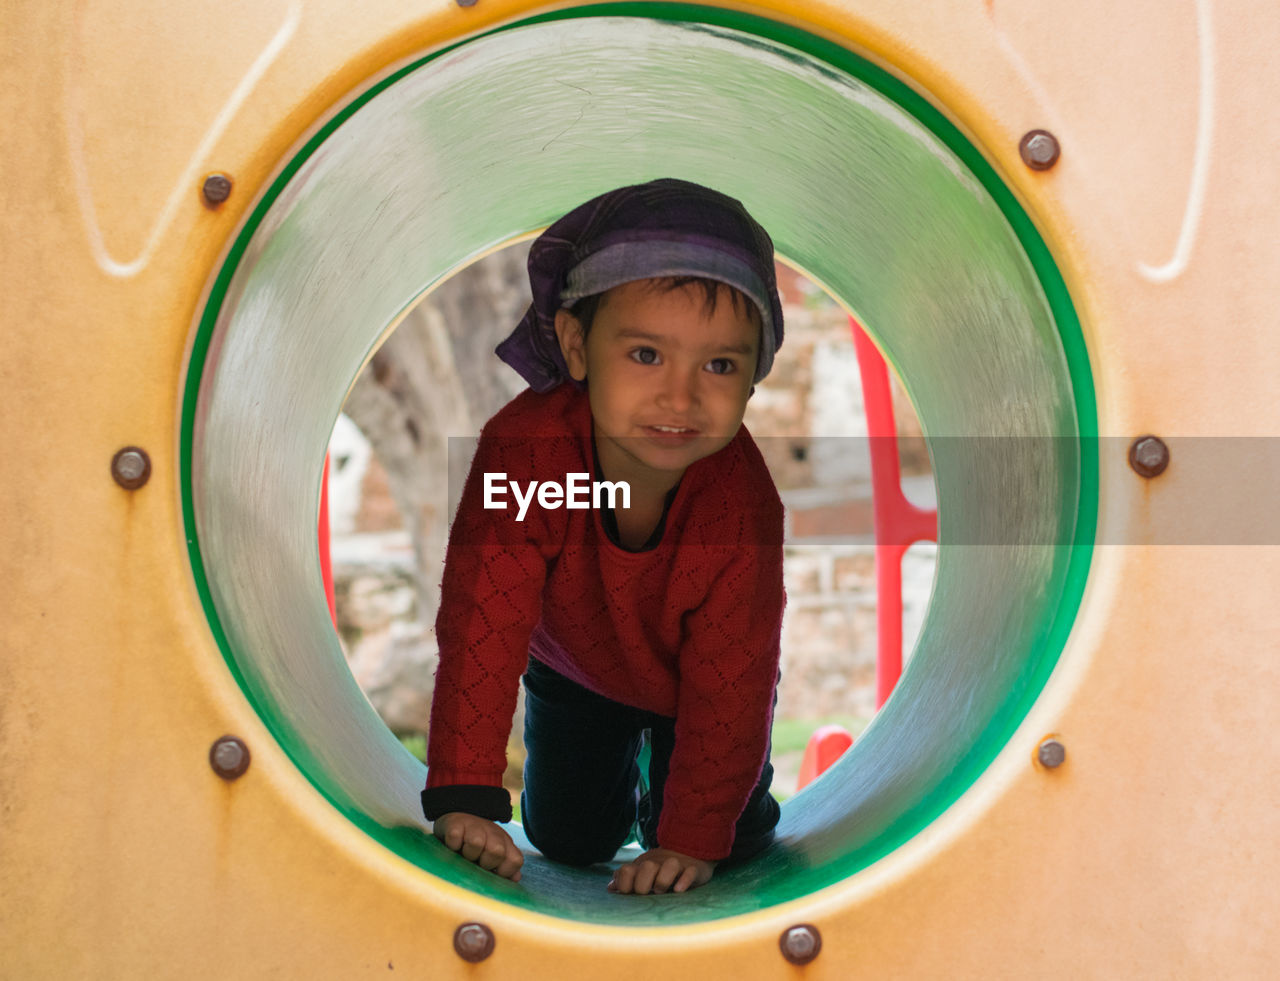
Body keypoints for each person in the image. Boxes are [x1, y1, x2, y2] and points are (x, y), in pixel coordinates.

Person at [422, 178, 786, 895]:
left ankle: (675, 807)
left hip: (698, 680)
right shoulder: (530, 453)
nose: (680, 397)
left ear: (754, 378)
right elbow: (483, 621)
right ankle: (625, 793)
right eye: (646, 354)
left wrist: (691, 839)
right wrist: (465, 792)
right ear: (576, 345)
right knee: (570, 835)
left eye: (719, 365)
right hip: (576, 667)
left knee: (727, 837)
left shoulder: (739, 504)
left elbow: (734, 680)